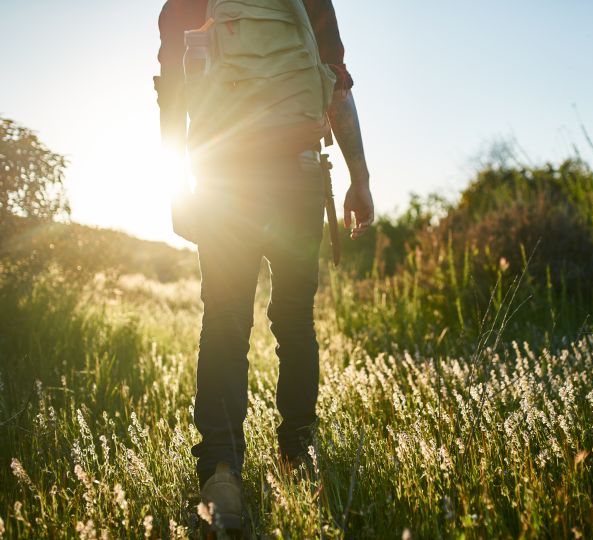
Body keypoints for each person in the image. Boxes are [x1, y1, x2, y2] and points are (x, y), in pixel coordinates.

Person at [155, 0, 373, 533]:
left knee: (225, 322)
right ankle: (300, 453)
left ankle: (222, 473)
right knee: (295, 321)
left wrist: (177, 182)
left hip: (223, 180)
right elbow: (335, 88)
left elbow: (173, 90)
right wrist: (359, 176)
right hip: (297, 177)